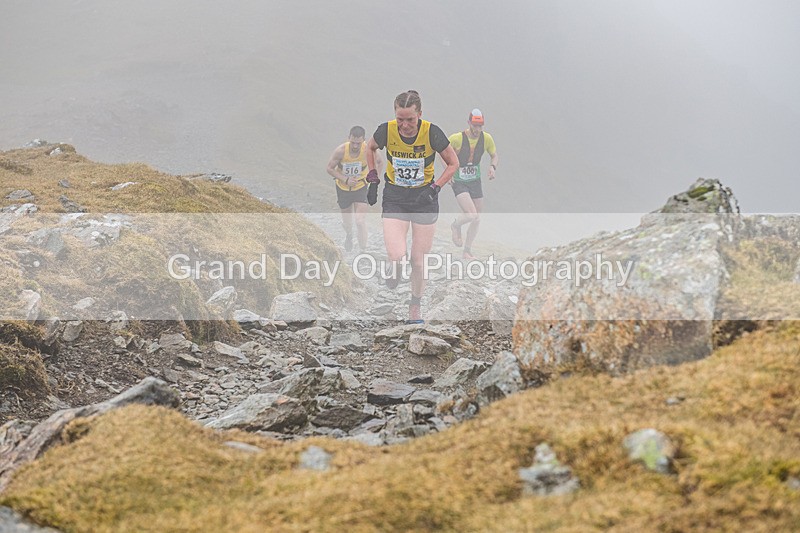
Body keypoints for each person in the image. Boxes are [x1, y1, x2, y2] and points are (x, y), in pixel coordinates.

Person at [365, 90, 459, 323]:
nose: (405, 125)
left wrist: (435, 187)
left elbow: (453, 163)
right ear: (394, 115)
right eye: (400, 119)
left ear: (420, 115)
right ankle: (395, 269)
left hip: (424, 199)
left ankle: (414, 305)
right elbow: (370, 147)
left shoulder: (432, 133)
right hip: (395, 196)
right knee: (396, 254)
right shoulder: (385, 131)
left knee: (418, 260)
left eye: (410, 119)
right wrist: (373, 176)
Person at [448, 108, 499, 260]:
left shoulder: (486, 138)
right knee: (471, 214)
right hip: (459, 181)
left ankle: (467, 251)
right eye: (475, 126)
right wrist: (448, 172)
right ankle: (456, 225)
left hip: (475, 180)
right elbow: (443, 154)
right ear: (468, 123)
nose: (477, 129)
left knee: (476, 218)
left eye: (480, 126)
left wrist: (492, 167)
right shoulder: (456, 138)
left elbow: (494, 155)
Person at [326, 126, 379, 252]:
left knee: (360, 221)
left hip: (361, 186)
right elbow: (329, 168)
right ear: (348, 138)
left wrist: (374, 180)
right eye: (353, 142)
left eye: (358, 143)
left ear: (363, 140)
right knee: (348, 223)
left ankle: (363, 250)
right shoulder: (340, 151)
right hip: (343, 188)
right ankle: (349, 235)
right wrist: (345, 179)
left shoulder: (368, 149)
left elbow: (380, 162)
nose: (355, 146)